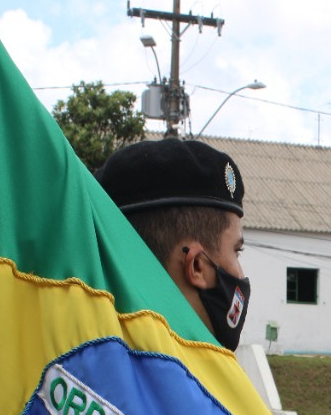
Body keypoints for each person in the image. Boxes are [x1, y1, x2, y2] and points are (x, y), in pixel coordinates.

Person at [95, 137, 251, 351]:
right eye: (237, 251)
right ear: (196, 265)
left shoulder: (70, 360)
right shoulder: (206, 381)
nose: (241, 275)